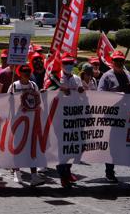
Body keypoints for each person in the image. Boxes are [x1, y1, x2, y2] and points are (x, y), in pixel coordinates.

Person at [97, 50, 130, 184]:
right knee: (113, 147)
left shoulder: (128, 74)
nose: (119, 63)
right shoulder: (106, 77)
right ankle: (110, 173)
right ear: (112, 62)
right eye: (116, 61)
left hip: (129, 116)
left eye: (121, 60)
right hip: (114, 118)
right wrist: (119, 93)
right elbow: (100, 95)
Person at [8, 64, 44, 187]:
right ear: (19, 73)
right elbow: (6, 102)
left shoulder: (33, 85)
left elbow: (39, 101)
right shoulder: (14, 86)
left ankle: (34, 175)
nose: (27, 73)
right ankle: (17, 172)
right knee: (18, 148)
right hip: (18, 122)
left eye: (29, 71)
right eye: (24, 71)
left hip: (32, 121)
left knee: (32, 149)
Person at [53, 54, 83, 188]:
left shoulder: (77, 79)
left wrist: (82, 91)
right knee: (62, 148)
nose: (68, 66)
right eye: (66, 63)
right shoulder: (56, 78)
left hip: (75, 118)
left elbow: (83, 96)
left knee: (73, 147)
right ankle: (63, 175)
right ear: (61, 64)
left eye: (71, 63)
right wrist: (60, 91)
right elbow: (47, 92)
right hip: (61, 118)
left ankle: (68, 170)